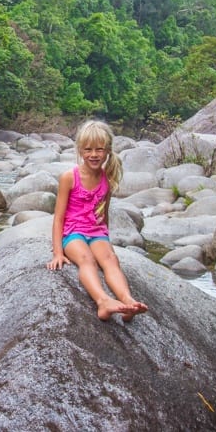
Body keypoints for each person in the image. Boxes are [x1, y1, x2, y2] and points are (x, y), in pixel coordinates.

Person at [47, 120, 148, 321]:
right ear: (80, 150)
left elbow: (105, 214)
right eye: (88, 149)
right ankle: (103, 301)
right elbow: (58, 218)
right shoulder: (69, 177)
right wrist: (58, 252)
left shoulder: (107, 178)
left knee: (111, 260)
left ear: (108, 150)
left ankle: (127, 300)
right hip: (73, 232)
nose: (94, 154)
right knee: (87, 260)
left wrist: (106, 242)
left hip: (96, 232)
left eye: (100, 150)